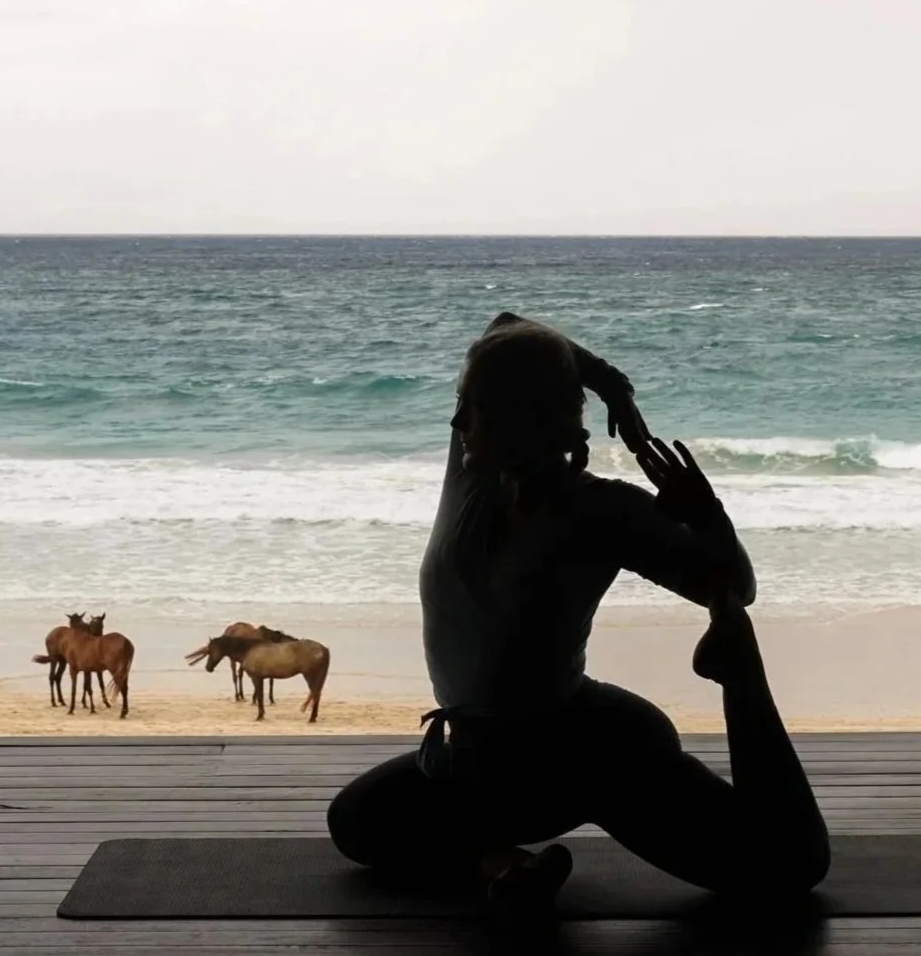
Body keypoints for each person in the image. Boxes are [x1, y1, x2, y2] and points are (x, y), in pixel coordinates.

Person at [326, 312, 831, 913]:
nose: (457, 422)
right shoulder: (470, 479)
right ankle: (509, 864)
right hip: (478, 758)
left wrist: (708, 519)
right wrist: (607, 380)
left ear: (522, 417)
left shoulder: (600, 512)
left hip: (589, 754)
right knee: (357, 822)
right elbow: (505, 324)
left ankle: (742, 682)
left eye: (474, 407)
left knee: (786, 865)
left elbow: (733, 589)